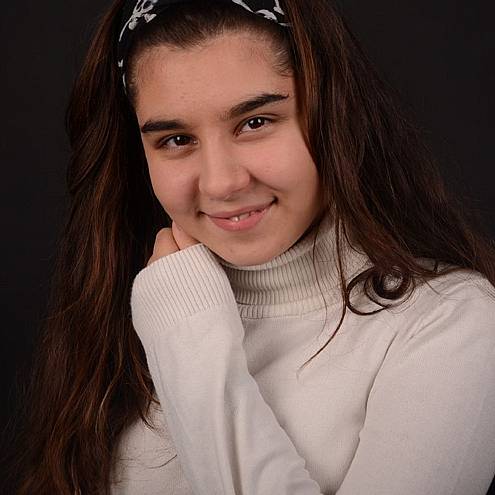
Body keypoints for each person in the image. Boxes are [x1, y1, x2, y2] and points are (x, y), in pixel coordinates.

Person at [4, 0, 495, 493]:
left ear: (333, 115)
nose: (221, 183)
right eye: (176, 139)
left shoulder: (451, 323)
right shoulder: (122, 314)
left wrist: (188, 337)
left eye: (255, 122)